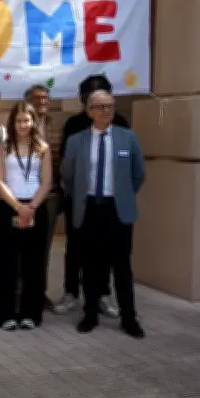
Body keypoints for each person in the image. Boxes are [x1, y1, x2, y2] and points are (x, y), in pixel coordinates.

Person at [61, 90, 146, 338]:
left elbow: (138, 174)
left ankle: (129, 317)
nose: (106, 110)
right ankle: (90, 314)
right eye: (100, 106)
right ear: (89, 112)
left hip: (117, 210)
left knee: (121, 266)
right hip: (89, 208)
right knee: (90, 264)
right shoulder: (76, 140)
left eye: (110, 106)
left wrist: (123, 194)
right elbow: (68, 175)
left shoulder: (127, 137)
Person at [55, 75, 128, 316]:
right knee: (75, 247)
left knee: (106, 248)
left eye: (102, 92)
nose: (96, 97)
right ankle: (71, 292)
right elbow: (66, 163)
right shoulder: (74, 124)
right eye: (90, 93)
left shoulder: (121, 123)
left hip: (109, 200)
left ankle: (102, 294)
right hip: (79, 199)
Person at [0, 101, 53, 330]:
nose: (23, 124)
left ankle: (31, 314)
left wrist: (32, 206)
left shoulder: (43, 148)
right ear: (13, 123)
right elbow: (0, 181)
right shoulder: (3, 147)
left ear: (33, 122)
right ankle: (6, 314)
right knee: (7, 263)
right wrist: (19, 207)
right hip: (10, 206)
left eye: (27, 120)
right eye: (19, 120)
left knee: (34, 264)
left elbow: (47, 182)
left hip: (36, 206)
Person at [24, 84, 62, 308]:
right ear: (28, 101)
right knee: (22, 247)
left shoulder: (56, 127)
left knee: (43, 248)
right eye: (37, 98)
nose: (42, 102)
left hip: (49, 197)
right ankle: (19, 291)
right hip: (23, 197)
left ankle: (40, 292)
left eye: (46, 98)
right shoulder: (20, 125)